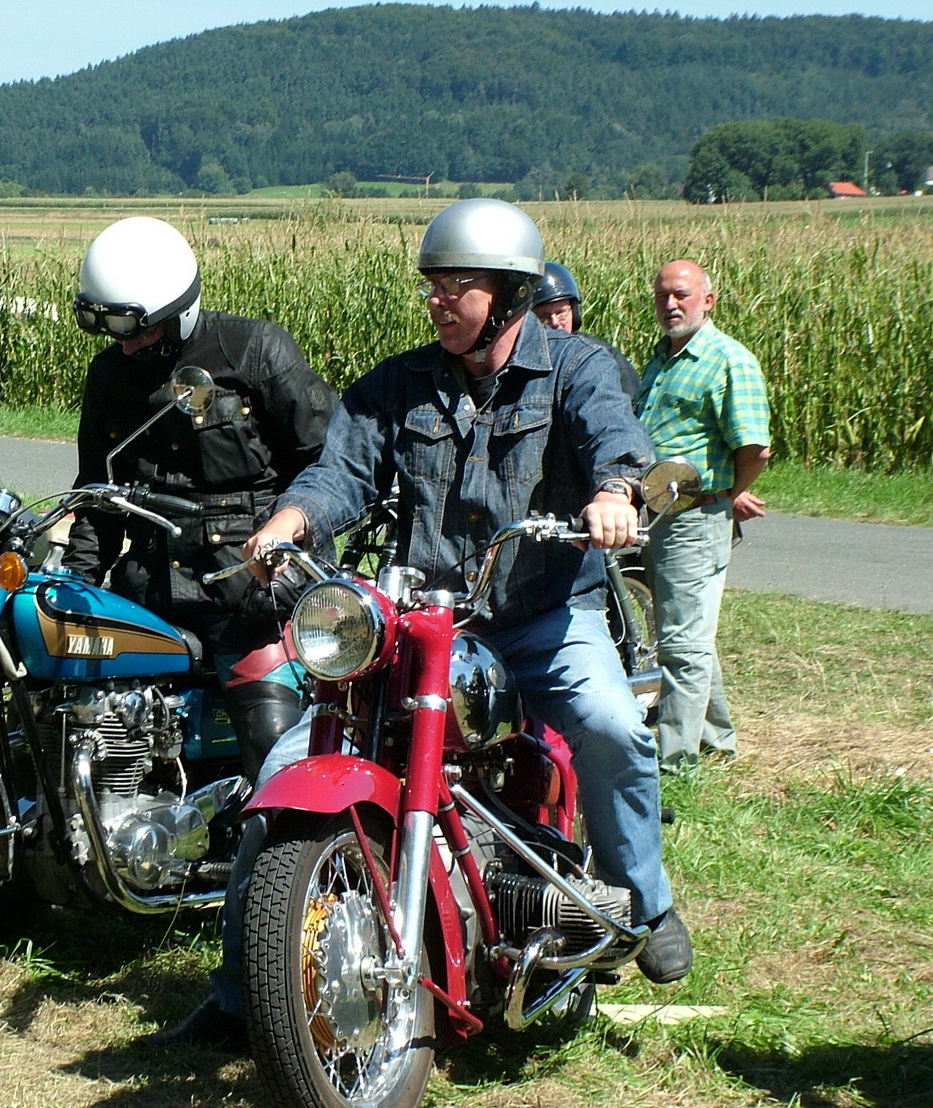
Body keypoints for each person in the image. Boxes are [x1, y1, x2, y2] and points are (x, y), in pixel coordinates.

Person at [215, 199, 691, 1034]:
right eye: (432, 286)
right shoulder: (397, 384)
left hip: (542, 612)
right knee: (288, 764)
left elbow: (617, 439)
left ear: (508, 294)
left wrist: (615, 493)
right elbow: (341, 472)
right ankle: (243, 989)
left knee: (613, 728)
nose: (438, 301)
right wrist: (292, 520)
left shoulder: (576, 368)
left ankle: (642, 904)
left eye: (457, 286)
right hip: (425, 619)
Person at [67, 216, 334, 783]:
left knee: (276, 751)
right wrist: (77, 585)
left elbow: (327, 465)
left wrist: (292, 560)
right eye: (114, 331)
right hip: (147, 590)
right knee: (83, 727)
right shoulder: (109, 374)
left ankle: (281, 864)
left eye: (139, 330)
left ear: (178, 310)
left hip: (247, 597)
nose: (127, 344)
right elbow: (97, 493)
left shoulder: (253, 350)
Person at [637, 260, 770, 773]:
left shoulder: (727, 360)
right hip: (661, 513)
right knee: (687, 630)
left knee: (681, 641)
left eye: (682, 295)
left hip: (693, 516)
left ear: (708, 301)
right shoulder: (663, 359)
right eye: (663, 296)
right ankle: (717, 741)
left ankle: (675, 760)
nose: (671, 304)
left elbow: (754, 447)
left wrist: (725, 494)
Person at [530, 260, 641, 401]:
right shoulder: (519, 363)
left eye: (561, 313)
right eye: (543, 317)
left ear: (574, 312)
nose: (555, 323)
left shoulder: (604, 358)